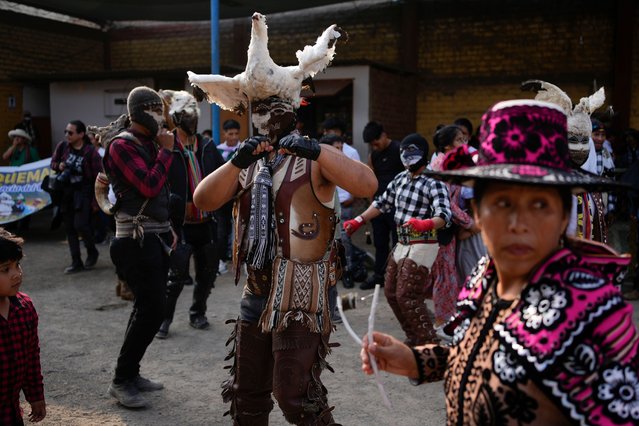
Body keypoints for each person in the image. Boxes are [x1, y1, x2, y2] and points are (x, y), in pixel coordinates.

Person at [360, 99, 638, 425]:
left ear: (564, 216)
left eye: (539, 205)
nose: (518, 223)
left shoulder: (597, 311)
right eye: (502, 202)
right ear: (477, 213)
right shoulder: (483, 276)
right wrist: (415, 361)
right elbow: (479, 353)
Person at [193, 98, 377, 425]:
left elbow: (367, 184)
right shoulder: (250, 163)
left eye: (273, 107)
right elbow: (203, 199)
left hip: (301, 297)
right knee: (245, 392)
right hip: (257, 289)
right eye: (259, 109)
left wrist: (316, 151)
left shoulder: (315, 157)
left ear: (292, 112)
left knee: (295, 394)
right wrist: (238, 160)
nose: (265, 116)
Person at [103, 86, 175, 408]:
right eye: (156, 110)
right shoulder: (121, 145)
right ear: (141, 111)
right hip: (133, 240)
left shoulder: (149, 143)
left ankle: (130, 374)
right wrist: (166, 153)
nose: (162, 118)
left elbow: (161, 195)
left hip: (152, 237)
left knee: (149, 308)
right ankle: (121, 380)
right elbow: (148, 184)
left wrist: (170, 228)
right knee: (152, 309)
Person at [344, 133, 452, 345]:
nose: (407, 156)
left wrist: (426, 223)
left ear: (423, 153)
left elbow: (444, 215)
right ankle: (414, 335)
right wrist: (359, 220)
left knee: (407, 294)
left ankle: (429, 343)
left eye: (412, 151)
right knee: (391, 292)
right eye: (404, 151)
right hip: (402, 243)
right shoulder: (400, 179)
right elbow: (381, 203)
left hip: (423, 243)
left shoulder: (434, 182)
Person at [156, 90, 224, 338]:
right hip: (178, 224)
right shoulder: (166, 146)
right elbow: (157, 183)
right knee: (175, 277)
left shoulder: (207, 146)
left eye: (194, 117)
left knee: (206, 274)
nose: (192, 122)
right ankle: (164, 320)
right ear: (177, 117)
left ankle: (198, 313)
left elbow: (222, 179)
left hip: (207, 221)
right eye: (187, 117)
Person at [429, 125, 474, 334]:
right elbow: (447, 204)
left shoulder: (454, 166)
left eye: (464, 139)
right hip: (440, 229)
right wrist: (471, 223)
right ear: (447, 146)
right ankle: (442, 322)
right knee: (444, 276)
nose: (464, 144)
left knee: (449, 275)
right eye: (459, 140)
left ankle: (448, 319)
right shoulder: (441, 167)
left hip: (451, 227)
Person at [0, 228, 46, 424]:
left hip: (10, 411)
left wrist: (35, 395)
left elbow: (31, 356)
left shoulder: (24, 308)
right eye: (5, 269)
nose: (16, 274)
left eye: (17, 265)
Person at [50, 120, 102, 274]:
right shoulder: (63, 147)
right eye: (66, 132)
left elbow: (99, 177)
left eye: (71, 132)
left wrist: (95, 201)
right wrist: (58, 165)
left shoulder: (90, 151)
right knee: (70, 228)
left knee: (81, 225)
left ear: (81, 134)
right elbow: (53, 163)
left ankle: (92, 252)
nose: (67, 135)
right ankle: (76, 261)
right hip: (66, 193)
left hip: (84, 193)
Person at [361, 121, 404, 290]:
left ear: (384, 135)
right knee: (379, 242)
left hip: (398, 206)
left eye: (376, 141)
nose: (374, 146)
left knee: (397, 243)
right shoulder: (374, 155)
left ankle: (397, 277)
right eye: (371, 144)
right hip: (379, 206)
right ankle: (379, 275)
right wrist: (371, 203)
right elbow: (370, 177)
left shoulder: (399, 150)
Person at [216, 118, 242, 274]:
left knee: (239, 230)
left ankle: (240, 261)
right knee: (222, 231)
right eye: (230, 133)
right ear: (224, 133)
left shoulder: (244, 149)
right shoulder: (217, 150)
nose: (233, 137)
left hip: (239, 196)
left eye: (236, 133)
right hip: (222, 198)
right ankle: (221, 261)